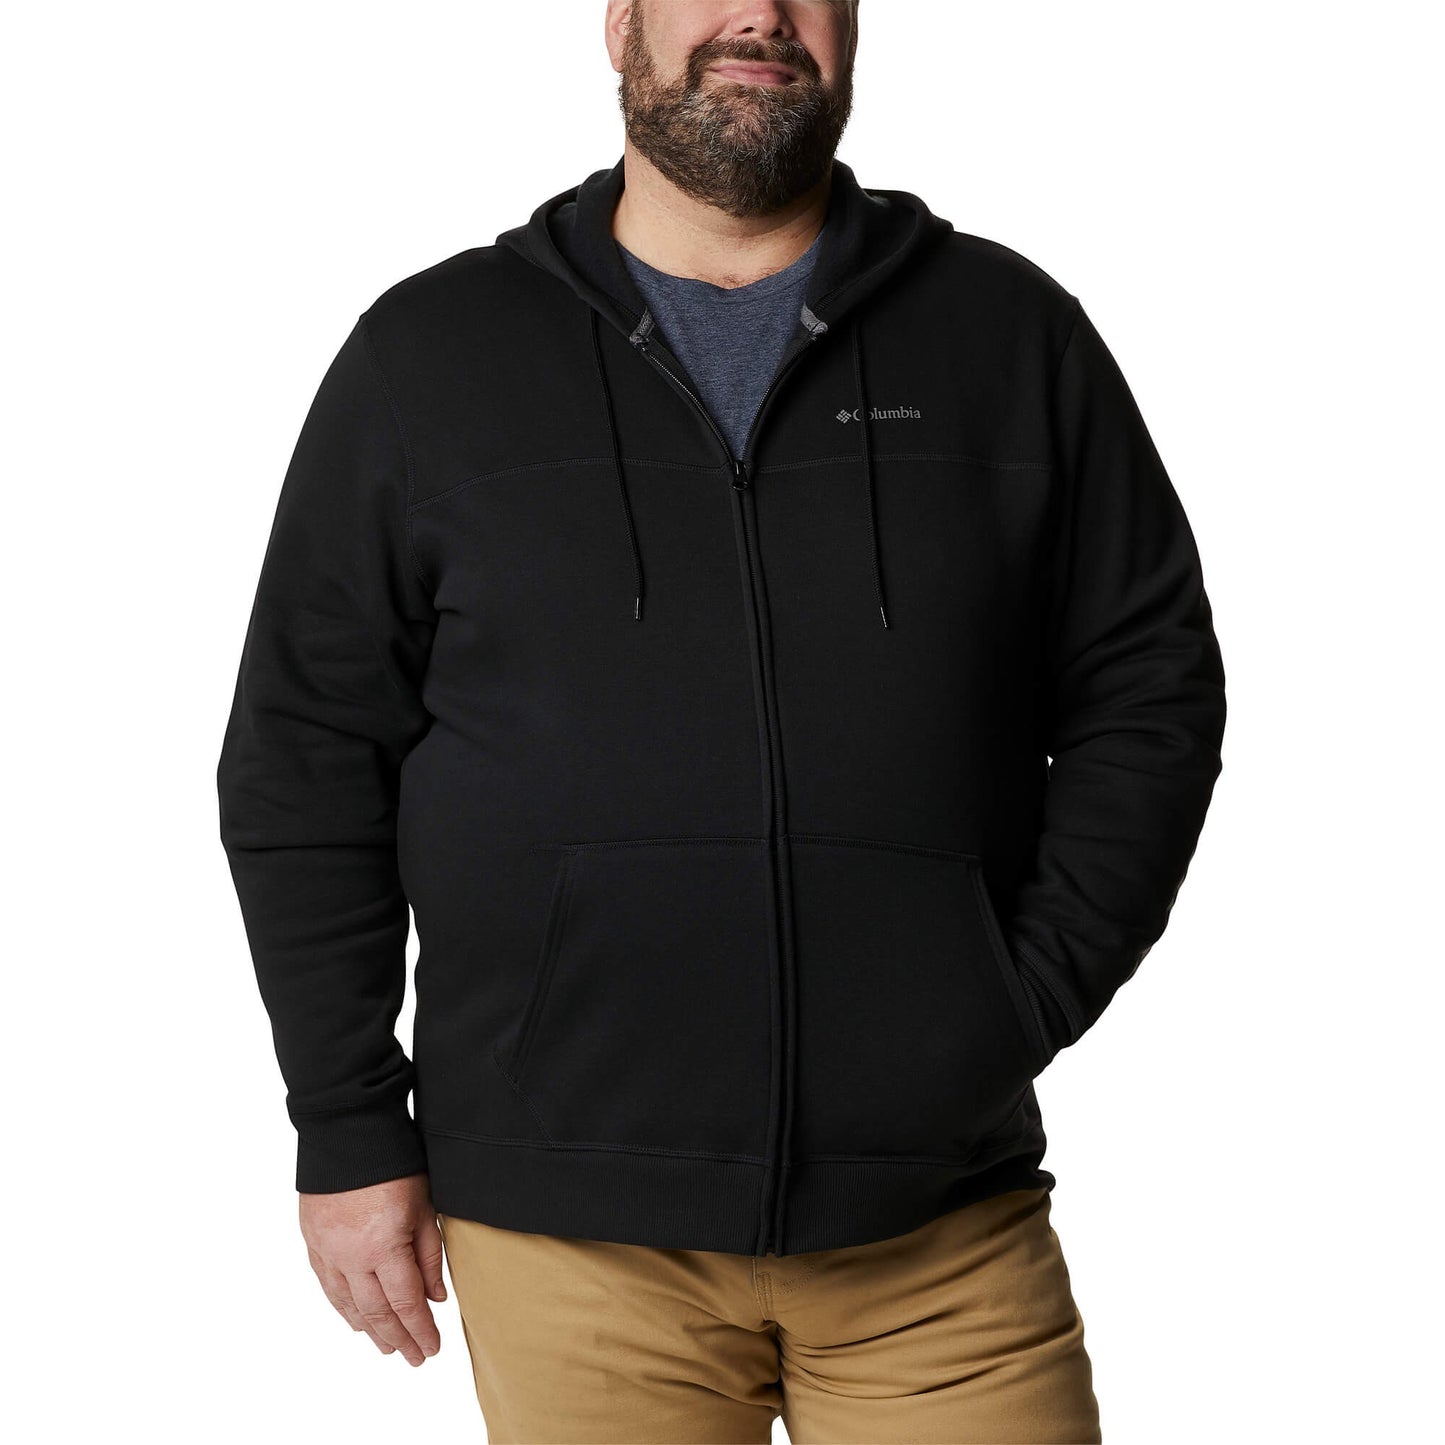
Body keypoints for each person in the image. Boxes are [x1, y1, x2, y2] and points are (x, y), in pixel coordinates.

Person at [216, 1, 1226, 1438]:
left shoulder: (1008, 336)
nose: (761, 13)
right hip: (567, 1236)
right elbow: (305, 758)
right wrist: (347, 1122)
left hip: (939, 1228)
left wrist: (1017, 999)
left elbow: (1147, 687)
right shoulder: (429, 355)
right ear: (620, 22)